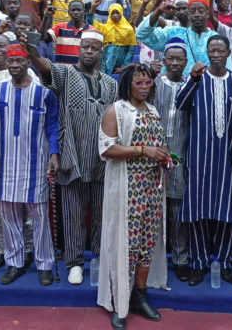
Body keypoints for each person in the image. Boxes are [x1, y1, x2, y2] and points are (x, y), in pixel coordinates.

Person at [28, 29, 117, 285]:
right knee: (73, 213)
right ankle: (75, 262)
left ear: (101, 52)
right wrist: (31, 49)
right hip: (73, 154)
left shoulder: (111, 84)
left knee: (102, 214)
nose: (89, 51)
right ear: (79, 49)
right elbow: (44, 67)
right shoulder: (65, 74)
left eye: (94, 48)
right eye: (85, 47)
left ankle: (100, 259)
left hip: (103, 158)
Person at [98, 64, 169, 329]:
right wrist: (143, 151)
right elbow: (106, 149)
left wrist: (163, 156)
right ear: (127, 84)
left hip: (151, 189)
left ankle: (140, 296)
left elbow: (157, 145)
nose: (143, 86)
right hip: (127, 188)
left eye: (147, 82)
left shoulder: (153, 111)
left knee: (146, 245)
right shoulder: (116, 110)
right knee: (124, 246)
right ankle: (119, 303)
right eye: (138, 83)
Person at [174, 35, 232, 286]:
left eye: (220, 50)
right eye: (211, 51)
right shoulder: (196, 78)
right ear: (206, 53)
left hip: (227, 157)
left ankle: (224, 263)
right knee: (198, 209)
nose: (215, 55)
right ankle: (198, 262)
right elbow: (179, 103)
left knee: (226, 211)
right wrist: (192, 78)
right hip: (199, 156)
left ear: (227, 53)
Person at [0, 44, 60, 286]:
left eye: (19, 61)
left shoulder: (43, 94)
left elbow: (52, 126)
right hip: (4, 165)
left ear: (28, 63)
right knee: (8, 216)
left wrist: (54, 154)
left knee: (39, 217)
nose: (14, 66)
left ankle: (44, 263)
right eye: (10, 62)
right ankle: (15, 263)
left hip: (35, 165)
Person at [0, 34, 37, 271]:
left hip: (23, 147)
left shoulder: (27, 73)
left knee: (26, 203)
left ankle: (29, 248)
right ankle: (3, 249)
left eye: (1, 45)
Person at [150, 39, 191, 282]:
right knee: (154, 209)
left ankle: (181, 259)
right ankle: (151, 259)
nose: (175, 63)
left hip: (181, 155)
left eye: (179, 59)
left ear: (186, 63)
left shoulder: (192, 85)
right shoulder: (153, 84)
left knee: (177, 211)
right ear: (164, 62)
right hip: (153, 157)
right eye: (171, 59)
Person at [136, 0, 220, 75]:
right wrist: (158, 11)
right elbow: (141, 35)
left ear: (208, 14)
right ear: (189, 13)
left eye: (201, 11)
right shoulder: (173, 33)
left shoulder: (216, 40)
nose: (197, 14)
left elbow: (225, 69)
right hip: (175, 86)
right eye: (193, 11)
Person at [90, 3, 137, 74]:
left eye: (117, 13)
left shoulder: (129, 29)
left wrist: (124, 67)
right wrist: (93, 8)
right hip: (106, 62)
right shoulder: (105, 28)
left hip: (121, 63)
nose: (115, 15)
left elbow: (131, 50)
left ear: (121, 13)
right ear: (109, 15)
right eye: (112, 13)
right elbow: (90, 22)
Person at [46, 0, 91, 65]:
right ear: (69, 12)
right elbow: (44, 38)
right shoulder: (60, 27)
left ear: (84, 12)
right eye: (73, 10)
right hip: (62, 71)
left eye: (78, 10)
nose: (76, 12)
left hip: (81, 73)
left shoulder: (91, 31)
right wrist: (45, 16)